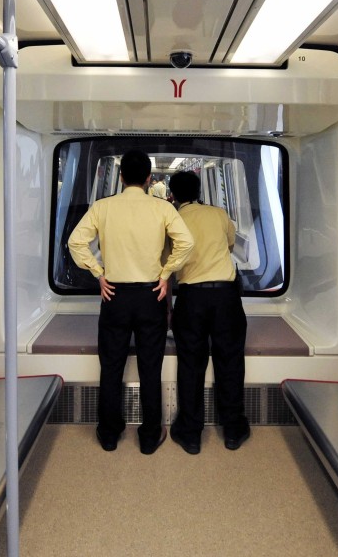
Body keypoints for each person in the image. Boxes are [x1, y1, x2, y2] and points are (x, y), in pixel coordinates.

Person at [68, 150, 194, 454]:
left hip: (115, 295)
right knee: (151, 367)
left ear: (121, 176)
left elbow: (76, 241)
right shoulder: (162, 208)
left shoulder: (103, 206)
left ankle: (109, 434)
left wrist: (98, 273)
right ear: (149, 178)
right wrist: (166, 274)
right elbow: (186, 242)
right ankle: (150, 436)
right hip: (151, 295)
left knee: (111, 366)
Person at [168, 170, 249, 454]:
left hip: (191, 297)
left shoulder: (174, 218)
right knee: (230, 361)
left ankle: (190, 434)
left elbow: (170, 259)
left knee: (191, 364)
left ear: (173, 195)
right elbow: (229, 244)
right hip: (226, 297)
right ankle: (233, 430)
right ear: (200, 190)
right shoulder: (218, 213)